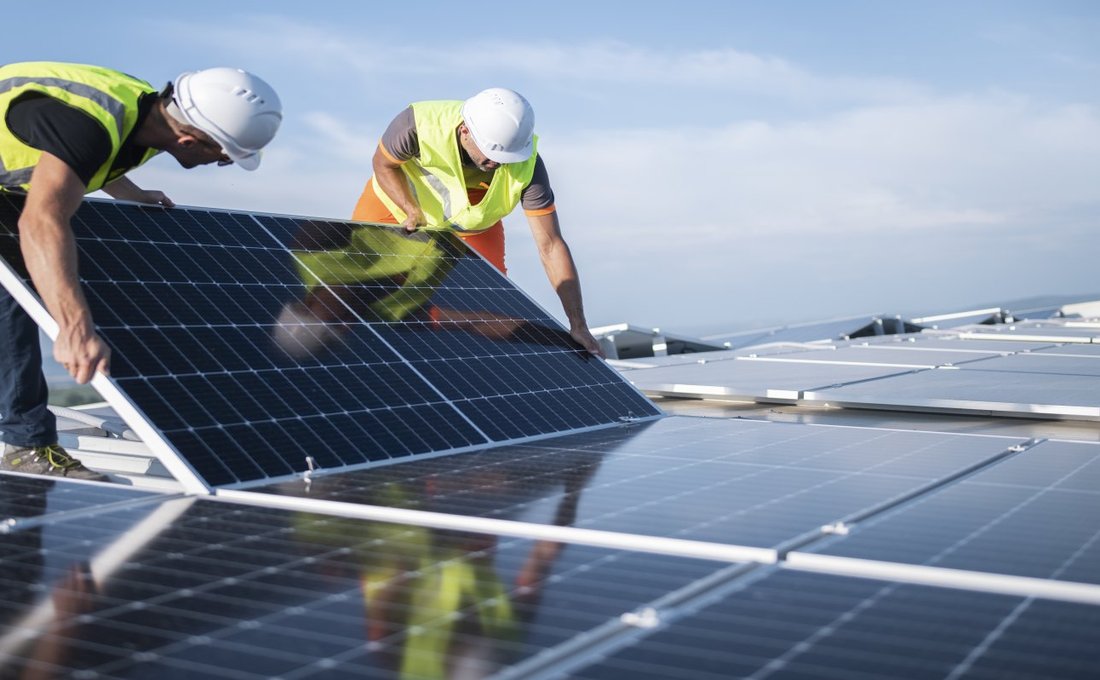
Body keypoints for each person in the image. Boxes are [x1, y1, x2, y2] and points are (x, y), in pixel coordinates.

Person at [0, 61, 283, 479]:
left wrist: (132, 194)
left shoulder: (152, 113)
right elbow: (41, 220)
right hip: (16, 197)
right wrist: (74, 329)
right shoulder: (89, 124)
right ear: (189, 140)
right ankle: (26, 444)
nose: (223, 163)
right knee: (15, 295)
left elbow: (91, 155)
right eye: (223, 154)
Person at [351, 87, 603, 357]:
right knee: (360, 287)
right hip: (395, 205)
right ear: (465, 131)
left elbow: (551, 246)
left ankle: (452, 365)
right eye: (490, 153)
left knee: (488, 303)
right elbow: (383, 164)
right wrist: (410, 210)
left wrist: (578, 323)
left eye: (505, 158)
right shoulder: (417, 124)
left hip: (473, 223)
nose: (496, 163)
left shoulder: (529, 167)